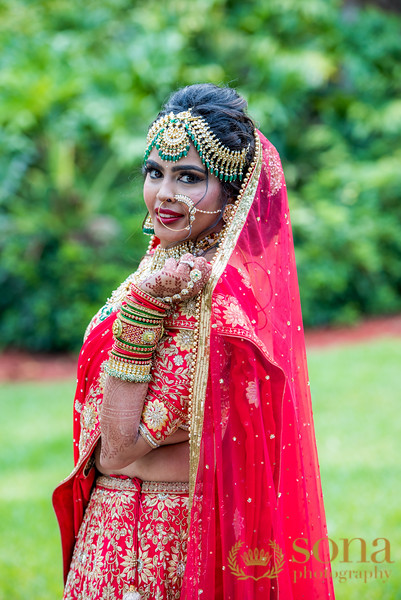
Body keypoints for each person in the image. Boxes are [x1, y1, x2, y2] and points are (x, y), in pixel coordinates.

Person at [53, 83, 335, 600]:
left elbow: (117, 448)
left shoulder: (219, 308)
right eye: (155, 172)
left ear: (232, 195)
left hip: (169, 544)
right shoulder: (163, 270)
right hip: (111, 531)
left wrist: (140, 316)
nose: (165, 193)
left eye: (189, 177)